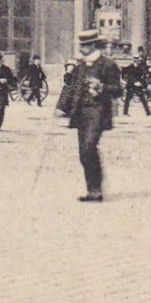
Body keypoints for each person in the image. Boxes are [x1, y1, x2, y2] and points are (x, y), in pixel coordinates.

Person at [57, 29, 122, 202]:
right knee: (84, 153)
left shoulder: (107, 65)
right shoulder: (81, 66)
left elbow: (118, 90)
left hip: (98, 113)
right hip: (81, 114)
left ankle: (96, 190)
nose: (81, 49)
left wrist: (102, 88)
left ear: (93, 45)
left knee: (89, 148)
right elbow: (71, 88)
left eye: (84, 46)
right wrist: (61, 107)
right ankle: (92, 189)